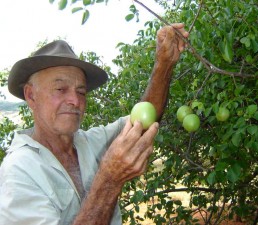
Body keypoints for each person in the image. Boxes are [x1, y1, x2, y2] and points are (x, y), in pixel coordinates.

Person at [0, 23, 189, 225]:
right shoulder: (19, 171)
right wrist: (109, 179)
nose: (75, 100)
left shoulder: (90, 142)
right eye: (61, 89)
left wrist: (164, 64)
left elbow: (142, 121)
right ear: (31, 96)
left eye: (81, 91)